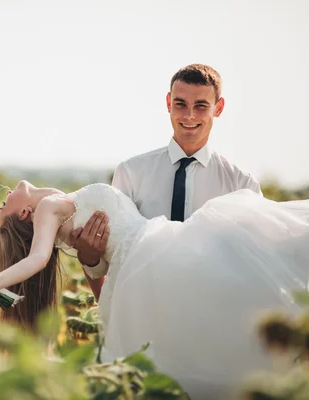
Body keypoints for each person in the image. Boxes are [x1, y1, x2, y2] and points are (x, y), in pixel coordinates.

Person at [0, 179, 309, 399]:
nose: (5, 195)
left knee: (238, 278)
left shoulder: (60, 202)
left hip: (158, 244)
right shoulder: (48, 210)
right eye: (4, 207)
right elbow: (36, 260)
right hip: (151, 256)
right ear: (26, 214)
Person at [70, 64, 262, 300]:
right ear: (168, 103)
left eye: (201, 106)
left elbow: (254, 264)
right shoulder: (131, 172)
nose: (189, 115)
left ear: (218, 108)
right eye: (180, 104)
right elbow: (110, 264)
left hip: (213, 311)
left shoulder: (241, 185)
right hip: (142, 309)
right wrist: (88, 257)